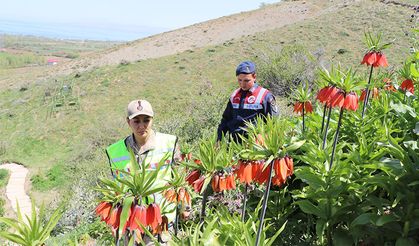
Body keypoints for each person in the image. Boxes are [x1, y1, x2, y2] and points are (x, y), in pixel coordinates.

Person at [105, 99, 181, 244]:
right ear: (128, 122)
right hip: (130, 221)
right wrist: (113, 219)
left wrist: (185, 208)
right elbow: (115, 187)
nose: (142, 126)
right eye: (136, 121)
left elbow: (180, 179)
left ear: (152, 119)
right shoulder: (114, 151)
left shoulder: (170, 143)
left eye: (146, 120)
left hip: (161, 218)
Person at [217, 61, 279, 142]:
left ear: (254, 77)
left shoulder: (264, 95)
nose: (242, 84)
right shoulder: (234, 95)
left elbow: (273, 121)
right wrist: (219, 139)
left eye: (246, 80)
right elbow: (226, 119)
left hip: (255, 143)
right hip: (233, 143)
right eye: (240, 80)